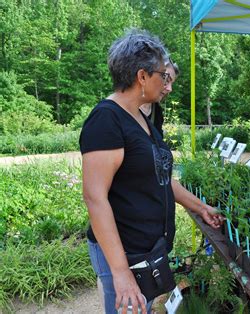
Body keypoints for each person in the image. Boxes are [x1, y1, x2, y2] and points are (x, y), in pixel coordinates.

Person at [80, 29, 222, 314]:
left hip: (146, 251)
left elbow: (161, 180)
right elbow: (95, 197)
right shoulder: (106, 120)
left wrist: (201, 207)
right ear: (142, 77)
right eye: (164, 76)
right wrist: (120, 273)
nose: (167, 83)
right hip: (124, 254)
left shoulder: (142, 118)